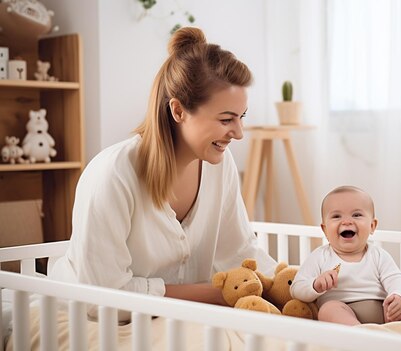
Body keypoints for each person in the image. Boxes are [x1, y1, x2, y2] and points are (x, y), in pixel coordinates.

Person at [49, 27, 276, 317]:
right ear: (178, 111)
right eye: (226, 119)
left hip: (174, 317)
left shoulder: (220, 165)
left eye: (241, 117)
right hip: (79, 317)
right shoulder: (113, 174)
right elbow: (102, 298)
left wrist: (294, 285)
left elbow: (240, 251)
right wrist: (214, 295)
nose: (239, 133)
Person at [290, 185, 401, 325]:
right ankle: (357, 330)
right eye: (336, 216)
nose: (347, 221)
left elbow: (396, 278)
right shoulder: (320, 257)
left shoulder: (378, 254)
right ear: (325, 229)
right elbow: (296, 288)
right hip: (345, 309)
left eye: (356, 215)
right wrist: (315, 285)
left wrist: (398, 297)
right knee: (327, 310)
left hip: (385, 311)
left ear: (372, 226)